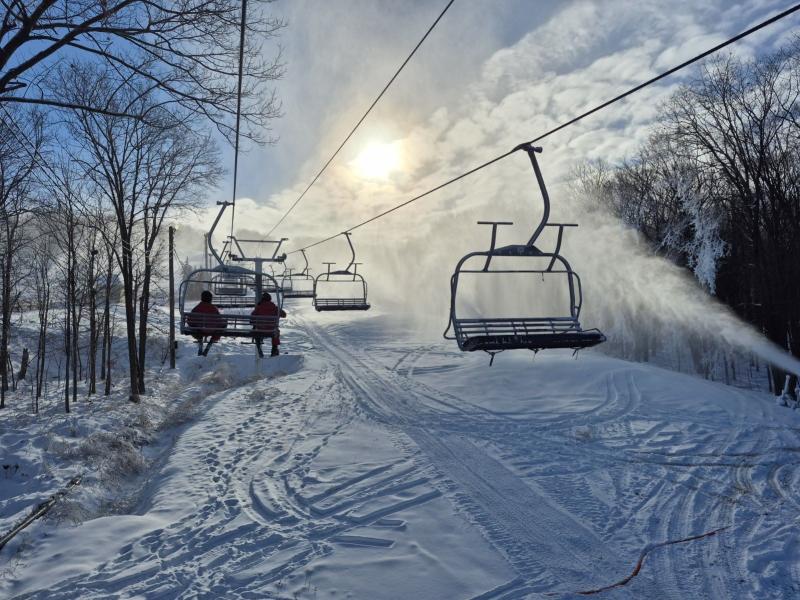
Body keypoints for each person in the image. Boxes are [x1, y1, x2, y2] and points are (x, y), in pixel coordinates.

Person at [187, 290, 227, 356]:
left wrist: (195, 325)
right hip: (212, 330)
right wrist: (223, 324)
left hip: (199, 330)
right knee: (219, 330)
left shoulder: (197, 308)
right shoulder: (213, 309)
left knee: (195, 329)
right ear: (210, 299)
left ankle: (200, 343)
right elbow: (219, 321)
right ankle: (209, 346)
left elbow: (189, 320)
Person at [250, 292, 286, 357]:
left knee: (256, 332)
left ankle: (259, 348)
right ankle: (274, 350)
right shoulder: (274, 307)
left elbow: (252, 318)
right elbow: (284, 315)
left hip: (260, 329)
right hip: (271, 329)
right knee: (276, 332)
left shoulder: (259, 307)